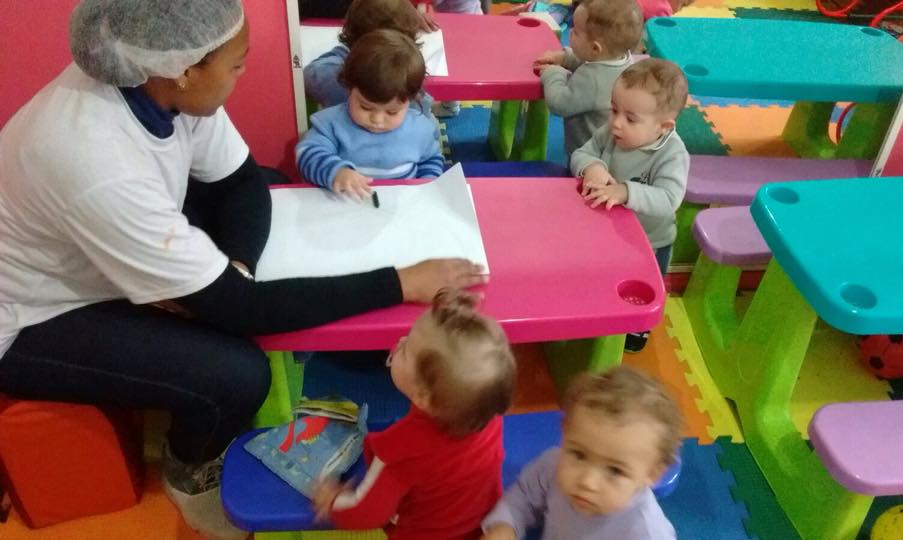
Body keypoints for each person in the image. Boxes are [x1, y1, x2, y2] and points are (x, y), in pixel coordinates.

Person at [0, 1, 485, 538]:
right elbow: (242, 310)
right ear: (185, 71)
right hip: (31, 317)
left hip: (92, 249)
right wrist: (399, 281)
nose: (244, 72)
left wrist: (238, 267)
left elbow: (243, 181)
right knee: (238, 374)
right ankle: (191, 472)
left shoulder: (160, 83)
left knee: (271, 188)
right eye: (236, 65)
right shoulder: (97, 162)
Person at [312, 289, 516, 540]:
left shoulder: (400, 451)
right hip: (479, 527)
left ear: (424, 397)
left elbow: (366, 512)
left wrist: (333, 500)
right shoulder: (486, 413)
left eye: (406, 348)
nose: (399, 341)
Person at [481, 365, 681, 539]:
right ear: (565, 431)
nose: (587, 482)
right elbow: (524, 495)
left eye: (615, 471)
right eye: (579, 455)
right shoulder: (552, 465)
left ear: (652, 474)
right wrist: (503, 526)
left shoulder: (647, 531)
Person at [571, 59, 689, 352]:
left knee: (640, 288)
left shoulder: (672, 155)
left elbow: (669, 199)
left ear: (663, 127)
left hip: (650, 241)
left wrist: (626, 192)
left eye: (631, 119)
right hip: (606, 230)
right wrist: (592, 166)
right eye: (614, 110)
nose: (616, 122)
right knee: (604, 275)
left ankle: (638, 326)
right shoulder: (612, 132)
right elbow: (582, 153)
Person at [297, 29, 444, 199]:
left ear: (410, 100)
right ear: (349, 87)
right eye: (365, 107)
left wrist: (426, 185)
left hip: (400, 206)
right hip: (346, 204)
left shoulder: (420, 129)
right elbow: (307, 153)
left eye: (392, 112)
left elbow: (431, 160)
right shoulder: (330, 124)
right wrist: (337, 172)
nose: (377, 120)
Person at [534, 0, 642, 158]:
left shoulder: (592, 79)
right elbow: (587, 59)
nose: (570, 31)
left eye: (576, 31)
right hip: (608, 148)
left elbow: (559, 103)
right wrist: (564, 58)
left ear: (595, 48)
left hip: (588, 154)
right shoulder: (621, 59)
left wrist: (553, 73)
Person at [302, 0, 431, 110]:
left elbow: (309, 74)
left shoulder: (331, 75)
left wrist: (343, 51)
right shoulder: (407, 85)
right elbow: (425, 114)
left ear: (350, 31)